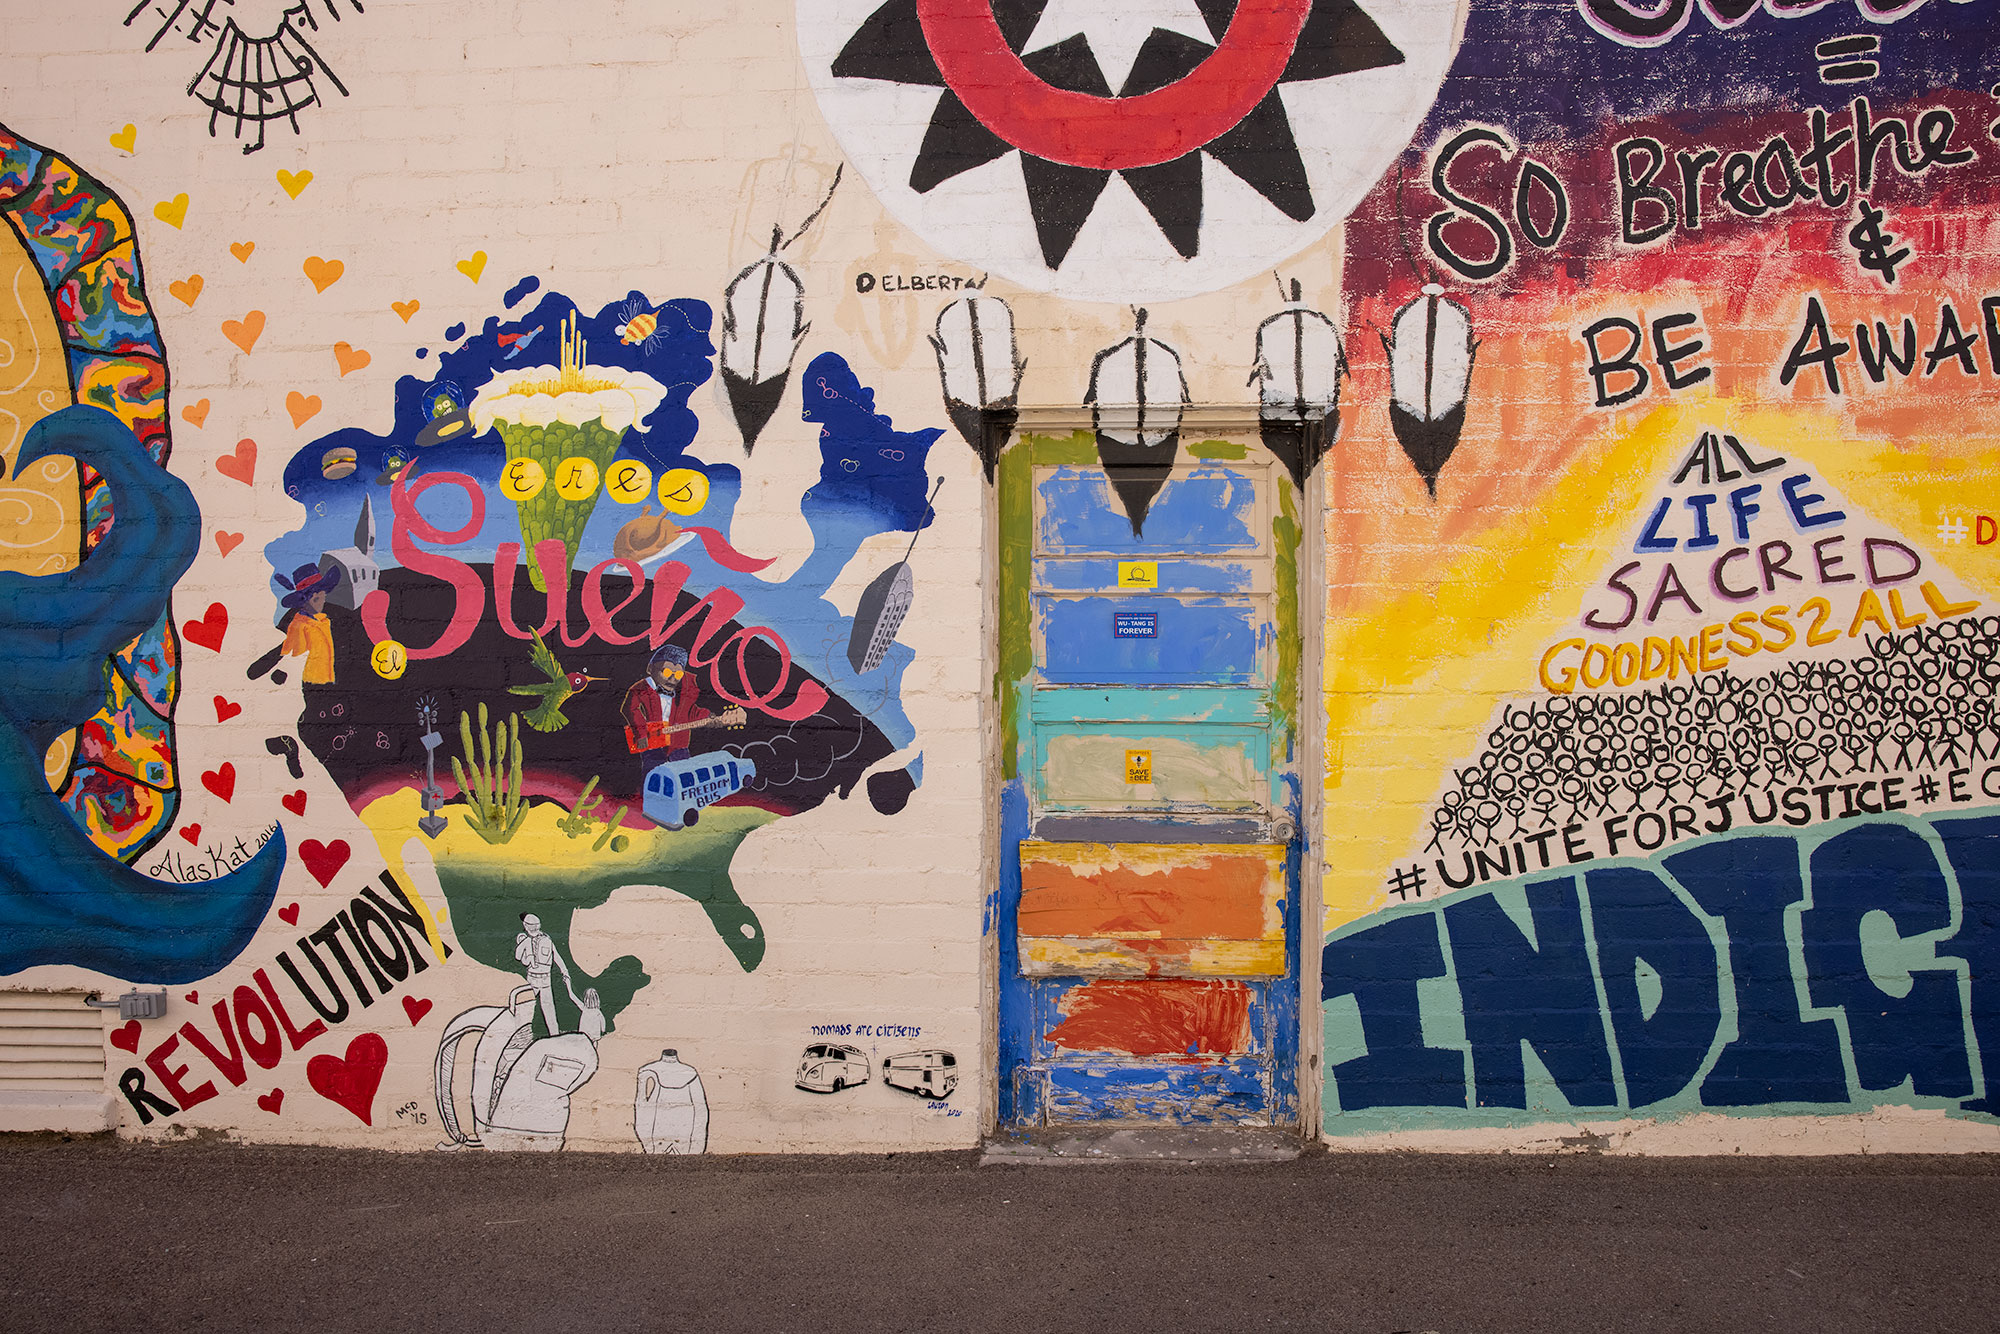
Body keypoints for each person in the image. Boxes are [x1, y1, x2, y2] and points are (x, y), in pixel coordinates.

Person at [622, 643, 710, 764]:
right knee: (654, 774)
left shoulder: (682, 693)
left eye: (678, 674)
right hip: (653, 742)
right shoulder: (641, 689)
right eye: (667, 672)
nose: (672, 679)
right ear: (650, 669)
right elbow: (630, 708)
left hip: (679, 744)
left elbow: (690, 712)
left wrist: (710, 716)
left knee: (683, 775)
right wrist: (641, 733)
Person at [274, 564, 341, 685]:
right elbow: (295, 658)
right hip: (310, 683)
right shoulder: (299, 626)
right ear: (310, 599)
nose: (323, 601)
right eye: (320, 598)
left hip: (327, 682)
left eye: (324, 596)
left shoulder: (324, 621)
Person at [513, 912, 573, 1035]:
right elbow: (519, 956)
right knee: (539, 1009)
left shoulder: (543, 940)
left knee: (544, 1009)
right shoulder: (538, 941)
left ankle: (553, 1035)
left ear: (526, 926)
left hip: (540, 979)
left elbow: (556, 957)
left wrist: (564, 971)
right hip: (539, 978)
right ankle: (552, 1034)